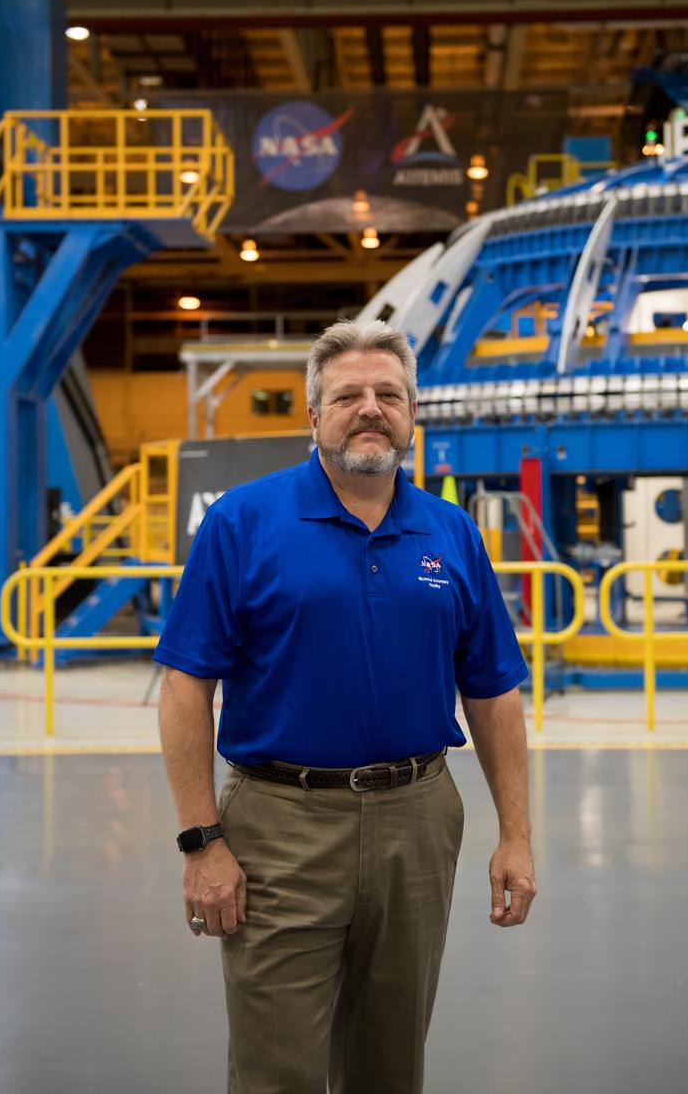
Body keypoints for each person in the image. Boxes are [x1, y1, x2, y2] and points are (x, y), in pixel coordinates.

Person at [155, 318, 537, 1094]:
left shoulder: (451, 533)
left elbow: (493, 690)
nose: (370, 409)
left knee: (390, 1064)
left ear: (411, 414)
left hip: (419, 819)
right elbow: (185, 686)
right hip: (279, 825)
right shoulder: (242, 522)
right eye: (348, 395)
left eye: (388, 395)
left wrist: (516, 836)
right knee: (276, 1068)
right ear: (313, 415)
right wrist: (201, 842)